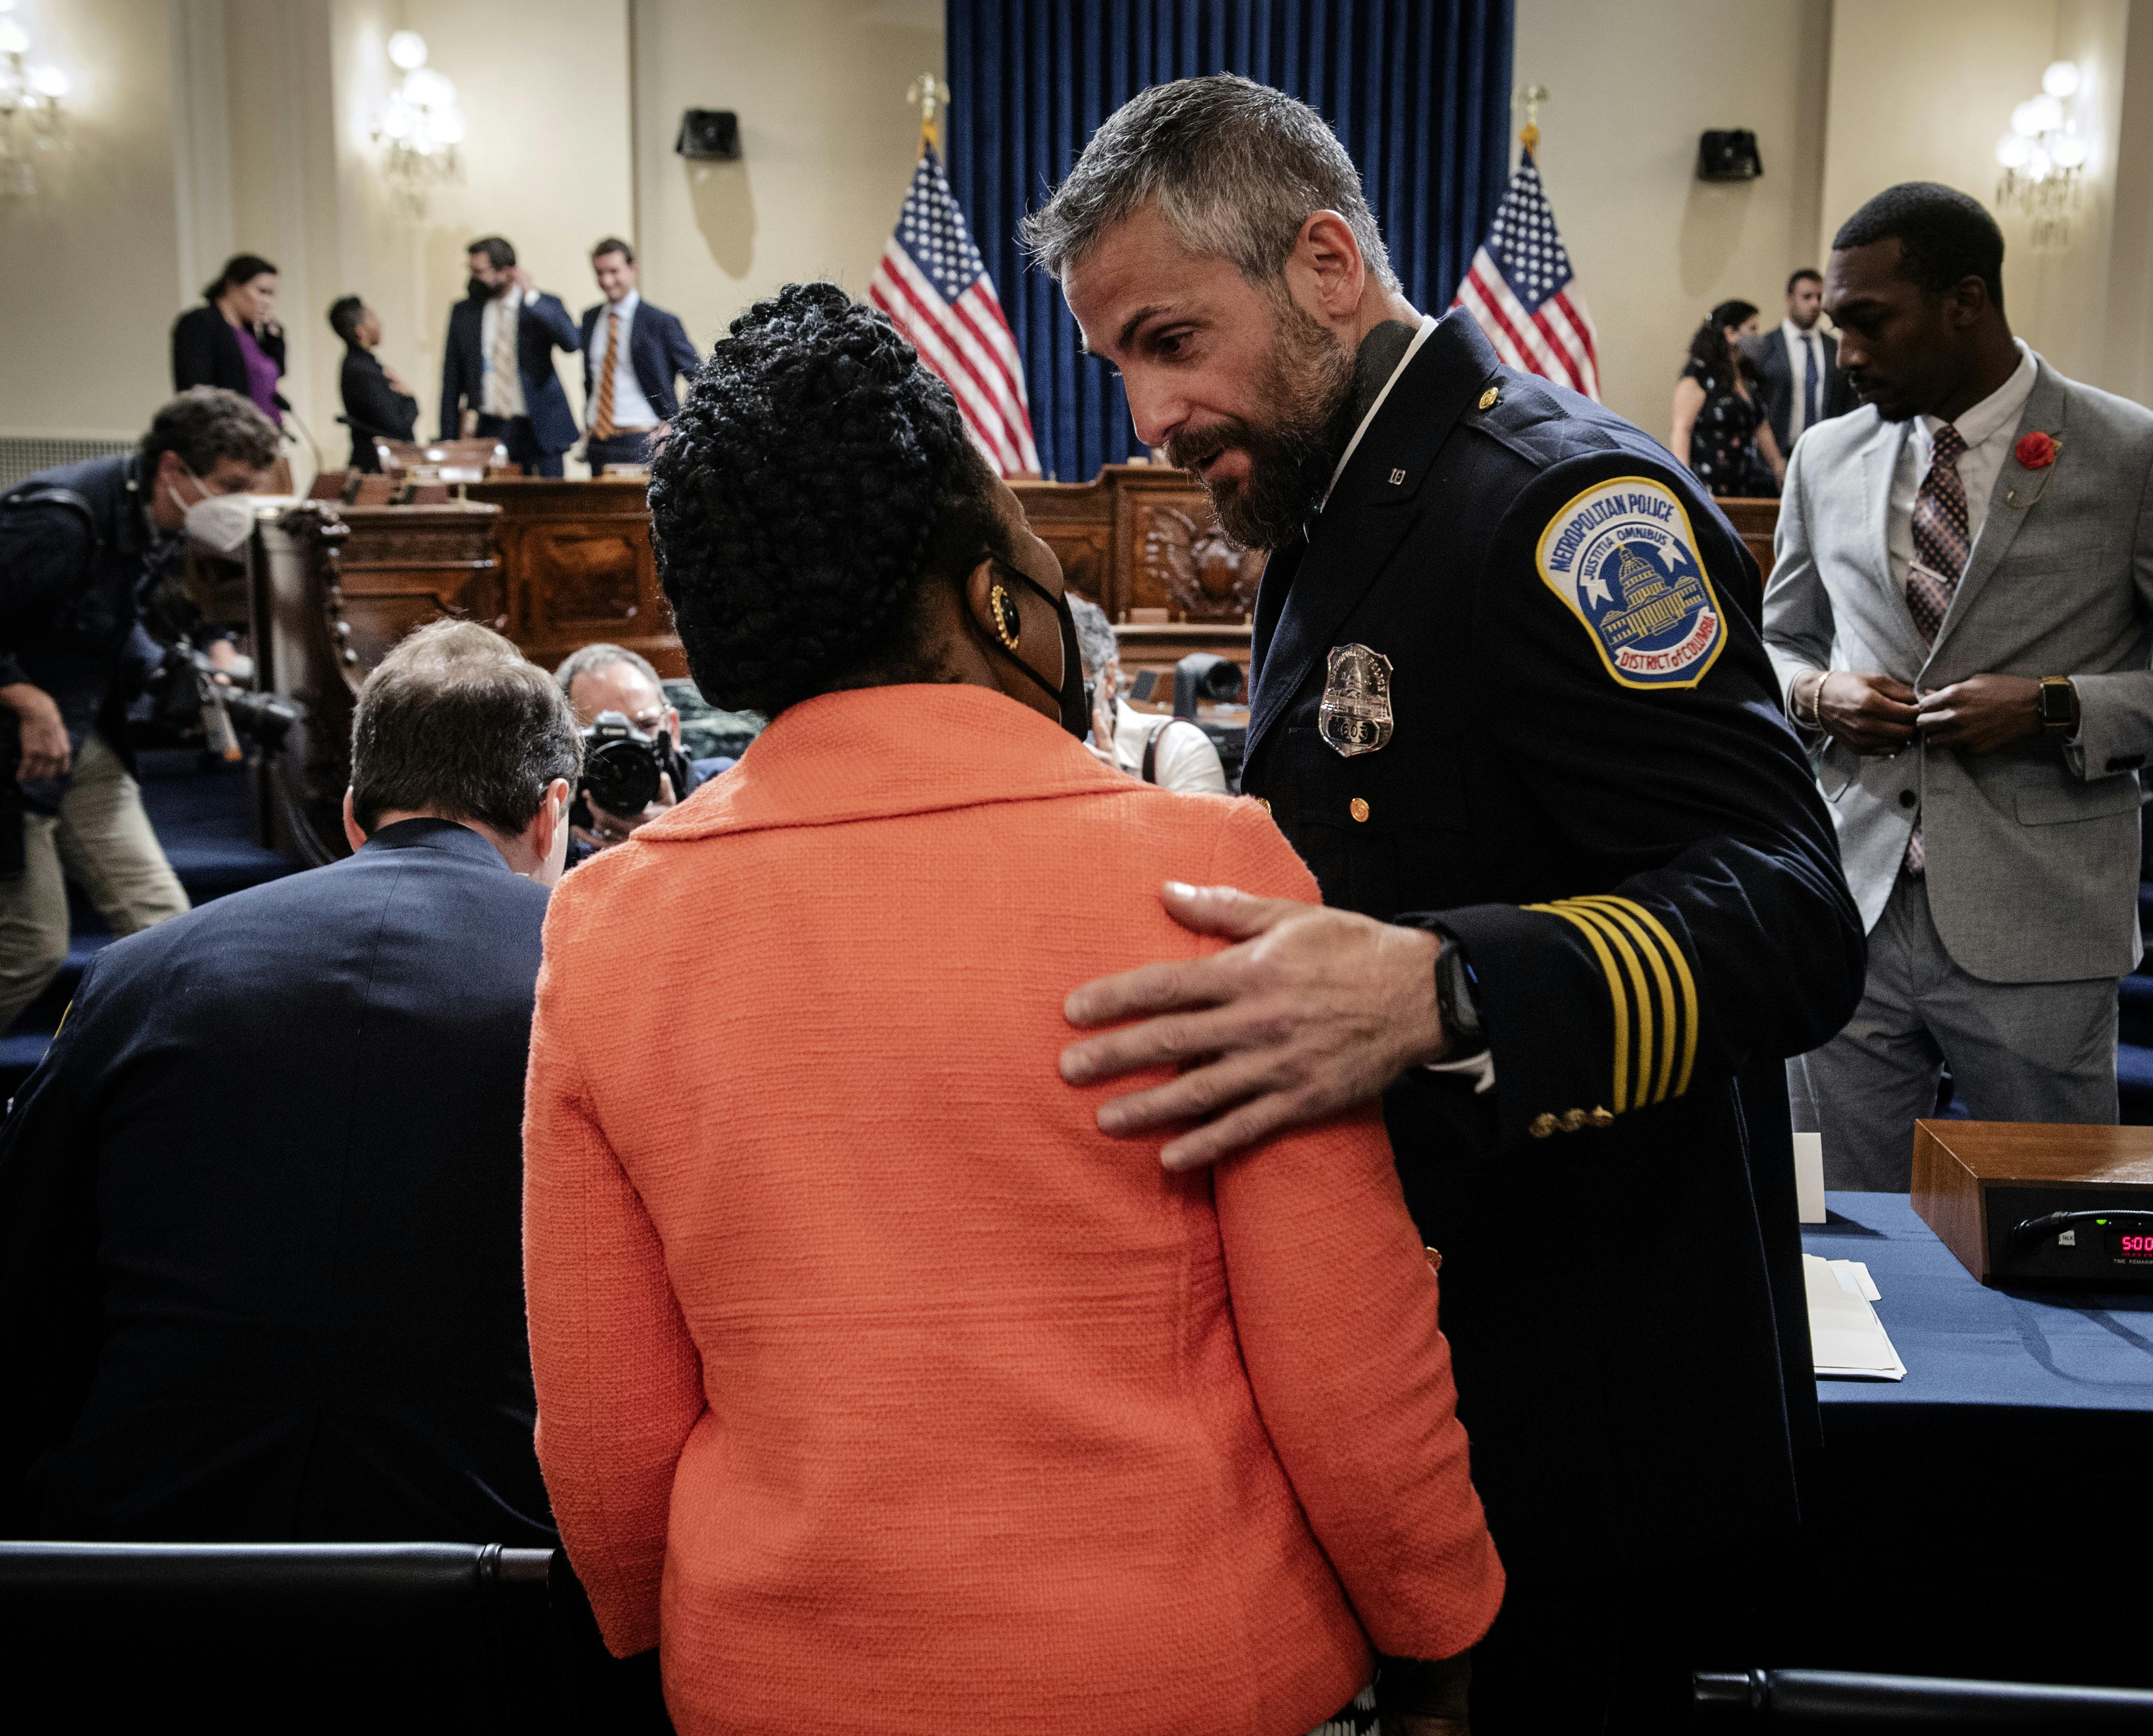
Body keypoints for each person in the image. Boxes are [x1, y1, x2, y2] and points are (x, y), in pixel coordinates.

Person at [524, 283, 1504, 1736]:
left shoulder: (605, 924)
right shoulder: (1207, 867)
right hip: (1183, 1677)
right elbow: (1347, 1367)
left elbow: (607, 1449)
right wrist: (1440, 1643)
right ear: (998, 596)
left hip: (778, 1686)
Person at [1026, 75, 1865, 1732]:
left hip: (1587, 1404)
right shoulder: (1347, 505)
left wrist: (1443, 990)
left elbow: (1788, 915)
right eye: (1122, 361)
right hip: (1444, 1369)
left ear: (1327, 264)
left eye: (1171, 340)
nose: (1148, 416)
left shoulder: (1553, 508)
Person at [0, 619, 575, 1543]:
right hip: (491, 1565)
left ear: (353, 815)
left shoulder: (141, 973)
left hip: (138, 1559)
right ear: (552, 814)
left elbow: (28, 1285)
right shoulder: (596, 984)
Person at [1764, 183, 2153, 1191]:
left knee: (2067, 1225)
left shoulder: (2129, 455)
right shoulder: (1823, 455)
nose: (1843, 352)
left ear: (1965, 302)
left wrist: (2051, 705)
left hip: (2040, 917)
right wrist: (1818, 696)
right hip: (1849, 902)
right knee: (1841, 1229)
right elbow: (1774, 646)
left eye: (1868, 320)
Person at [0, 388, 280, 1036]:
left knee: (162, 925)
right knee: (31, 947)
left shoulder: (152, 521)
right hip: (19, 749)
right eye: (230, 485)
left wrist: (162, 667)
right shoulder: (60, 519)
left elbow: (107, 616)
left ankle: (133, 1076)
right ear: (173, 469)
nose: (239, 505)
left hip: (83, 733)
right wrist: (24, 696)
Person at [552, 641, 723, 863]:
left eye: (645, 726)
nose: (626, 750)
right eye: (603, 739)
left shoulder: (723, 788)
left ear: (673, 728)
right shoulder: (553, 828)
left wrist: (682, 833)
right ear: (567, 745)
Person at [441, 236, 581, 477]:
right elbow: (452, 380)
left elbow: (571, 343)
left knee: (549, 507)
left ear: (506, 272)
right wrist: (448, 438)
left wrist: (533, 297)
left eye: (480, 272)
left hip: (539, 427)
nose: (473, 279)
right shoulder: (464, 312)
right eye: (471, 270)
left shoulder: (541, 305)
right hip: (490, 427)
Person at [1068, 593, 1228, 791]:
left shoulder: (1182, 749)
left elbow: (1205, 824)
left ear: (1108, 679)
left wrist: (1118, 795)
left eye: (1068, 689)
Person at [579, 237, 700, 474]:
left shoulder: (660, 322)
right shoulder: (590, 318)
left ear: (633, 268)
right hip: (598, 437)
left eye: (614, 271)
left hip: (642, 436)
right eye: (600, 273)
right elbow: (592, 378)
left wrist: (678, 425)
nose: (607, 281)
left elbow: (697, 375)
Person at [1671, 298, 1783, 496]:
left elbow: (1761, 427)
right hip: (1708, 490)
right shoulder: (1699, 375)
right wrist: (1685, 485)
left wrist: (1778, 467)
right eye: (1752, 330)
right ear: (1731, 333)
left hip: (1745, 488)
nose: (1758, 337)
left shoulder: (1747, 377)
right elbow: (1682, 431)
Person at [172, 253, 287, 428]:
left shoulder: (252, 332)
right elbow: (196, 392)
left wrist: (274, 339)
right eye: (262, 292)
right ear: (233, 286)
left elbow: (277, 373)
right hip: (227, 440)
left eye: (272, 295)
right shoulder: (201, 322)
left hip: (265, 436)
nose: (268, 301)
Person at [1747, 268, 1854, 457]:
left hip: (1825, 454)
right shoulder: (1766, 347)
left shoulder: (1836, 348)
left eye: (1819, 297)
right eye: (1807, 297)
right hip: (1776, 456)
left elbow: (1848, 403)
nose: (1815, 304)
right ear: (1790, 300)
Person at [329, 294, 419, 471]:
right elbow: (398, 426)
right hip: (375, 467)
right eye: (373, 318)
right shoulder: (362, 370)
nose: (380, 324)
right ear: (360, 331)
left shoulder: (364, 365)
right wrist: (409, 399)